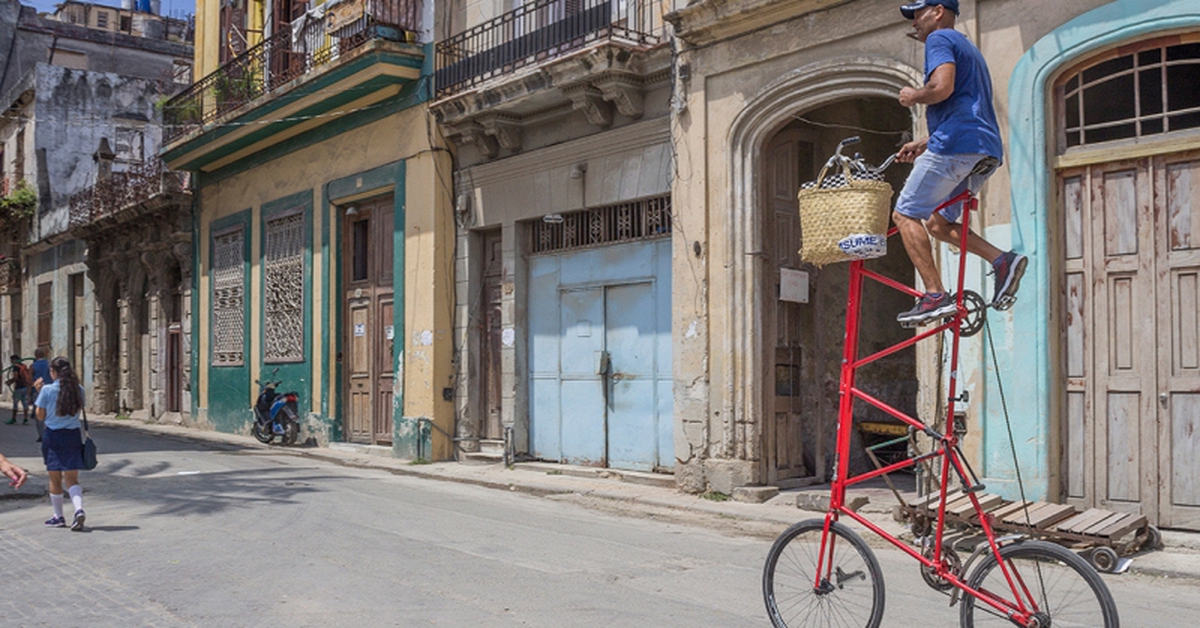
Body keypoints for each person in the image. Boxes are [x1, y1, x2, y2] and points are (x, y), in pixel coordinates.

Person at [893, 0, 1027, 326]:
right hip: (982, 150)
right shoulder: (968, 48)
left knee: (905, 213)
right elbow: (967, 109)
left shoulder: (940, 39)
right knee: (938, 224)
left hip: (956, 147)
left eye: (917, 15)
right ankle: (1002, 261)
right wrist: (924, 144)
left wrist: (914, 95)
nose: (913, 23)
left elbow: (942, 88)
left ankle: (935, 295)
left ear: (938, 11)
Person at [34, 357, 87, 531]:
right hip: (72, 435)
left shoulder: (47, 390)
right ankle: (78, 509)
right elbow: (77, 410)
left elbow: (40, 416)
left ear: (54, 372)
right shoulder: (78, 389)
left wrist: (39, 391)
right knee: (72, 478)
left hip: (53, 436)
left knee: (55, 478)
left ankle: (59, 516)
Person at [30, 348, 50, 441]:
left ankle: (42, 435)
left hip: (38, 391)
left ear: (35, 355)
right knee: (50, 412)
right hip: (50, 390)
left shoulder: (33, 366)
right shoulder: (50, 364)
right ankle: (50, 431)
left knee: (39, 413)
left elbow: (30, 379)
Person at [5, 355, 32, 425]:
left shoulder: (16, 367)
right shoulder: (23, 365)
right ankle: (25, 419)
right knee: (25, 403)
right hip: (25, 387)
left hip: (18, 388)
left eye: (11, 360)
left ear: (14, 360)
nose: (11, 362)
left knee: (15, 404)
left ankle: (13, 419)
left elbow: (15, 377)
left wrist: (9, 382)